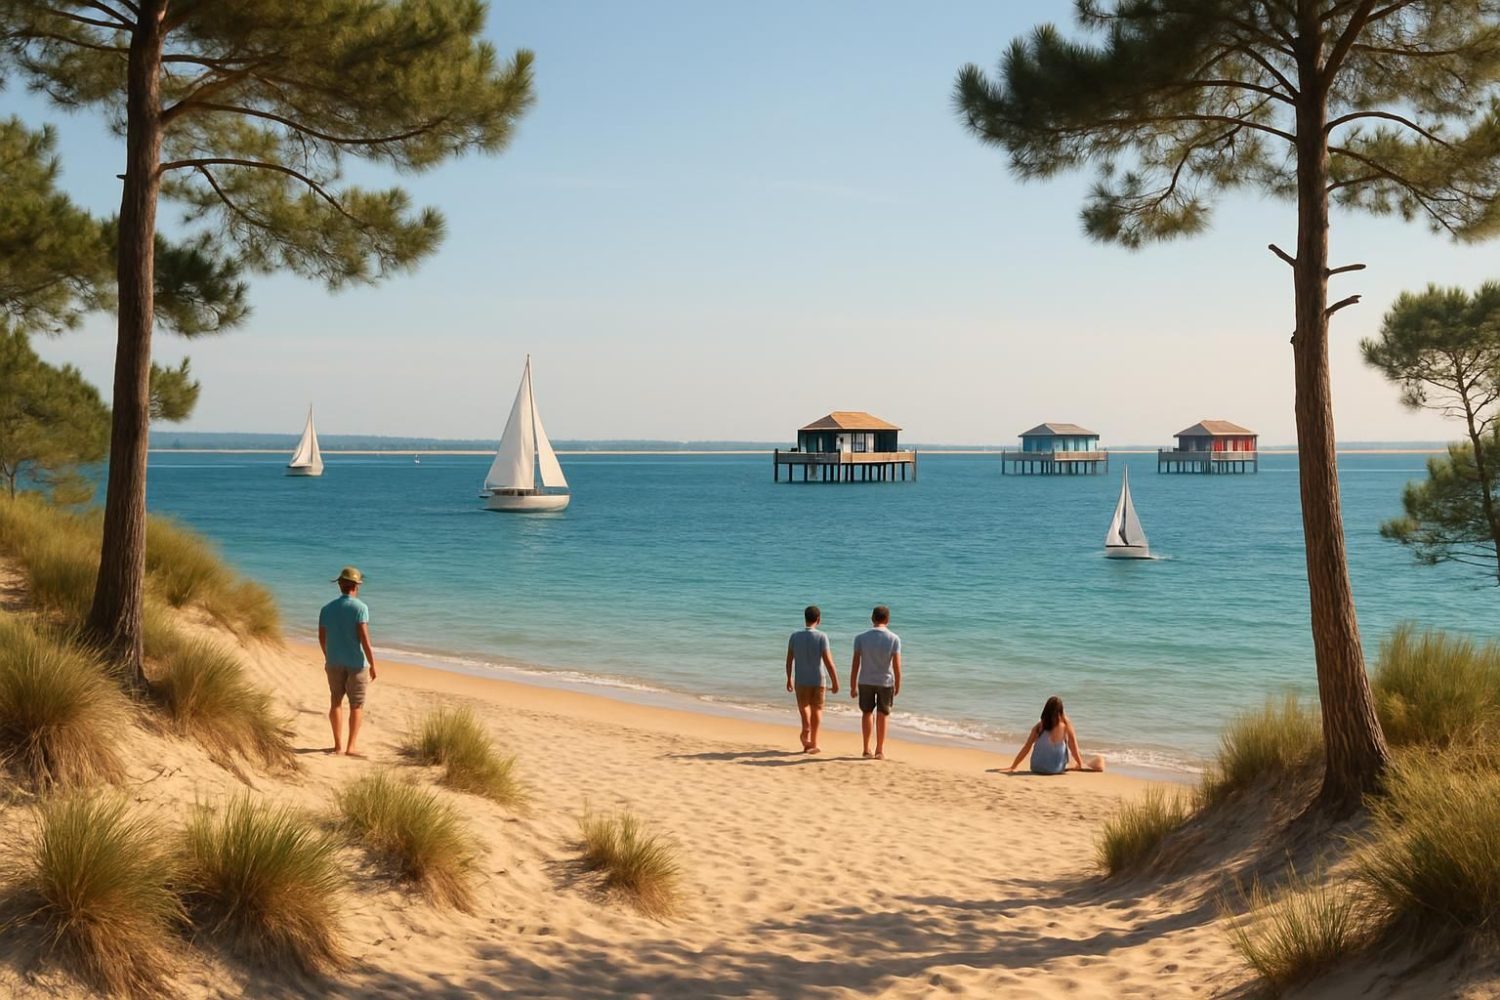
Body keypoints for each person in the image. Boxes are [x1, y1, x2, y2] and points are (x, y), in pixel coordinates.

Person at [318, 566, 376, 756]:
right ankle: (351, 747)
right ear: (356, 586)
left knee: (335, 702)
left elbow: (322, 637)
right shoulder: (361, 608)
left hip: (334, 661)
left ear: (340, 585)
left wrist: (328, 656)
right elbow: (364, 639)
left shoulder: (326, 609)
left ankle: (337, 746)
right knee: (356, 705)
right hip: (357, 664)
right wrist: (373, 664)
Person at [849, 605, 901, 760]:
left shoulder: (860, 638)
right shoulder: (894, 639)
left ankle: (866, 748)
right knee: (882, 714)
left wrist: (852, 685)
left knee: (866, 713)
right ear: (888, 619)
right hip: (885, 681)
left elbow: (855, 663)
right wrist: (898, 683)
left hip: (865, 680)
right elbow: (897, 665)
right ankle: (879, 750)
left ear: (872, 619)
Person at [786, 604, 840, 753]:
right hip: (818, 680)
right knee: (817, 708)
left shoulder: (795, 636)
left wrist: (789, 678)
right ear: (818, 619)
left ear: (805, 618)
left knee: (804, 706)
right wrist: (835, 681)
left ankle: (806, 731)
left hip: (801, 680)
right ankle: (814, 743)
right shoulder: (822, 636)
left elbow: (789, 660)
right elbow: (828, 662)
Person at [1005, 696, 1105, 774]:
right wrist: (1079, 764)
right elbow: (1073, 748)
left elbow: (1026, 747)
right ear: (1061, 712)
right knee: (1100, 761)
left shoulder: (1039, 727)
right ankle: (1078, 764)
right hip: (1055, 770)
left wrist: (1014, 766)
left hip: (1036, 767)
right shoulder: (1066, 726)